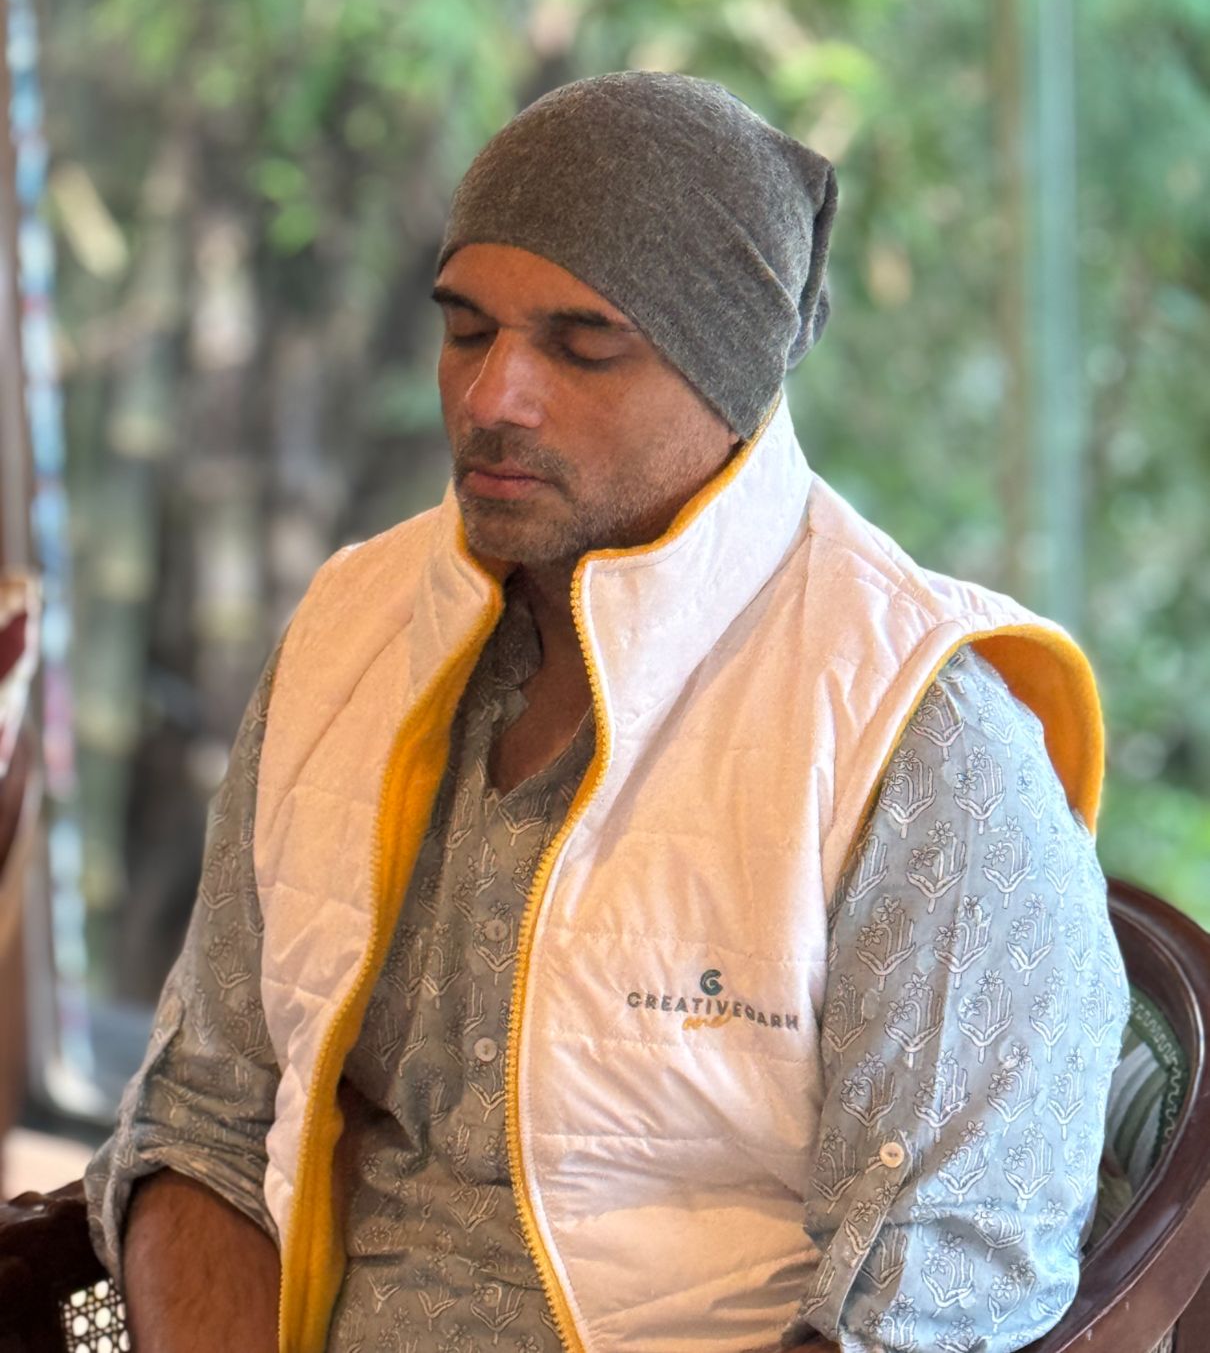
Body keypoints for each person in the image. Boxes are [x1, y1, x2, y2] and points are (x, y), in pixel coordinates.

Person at [86, 71, 1129, 1353]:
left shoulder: (922, 738)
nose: (493, 397)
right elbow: (203, 1124)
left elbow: (925, 1315)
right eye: (467, 330)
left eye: (582, 347)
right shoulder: (351, 629)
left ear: (728, 374)